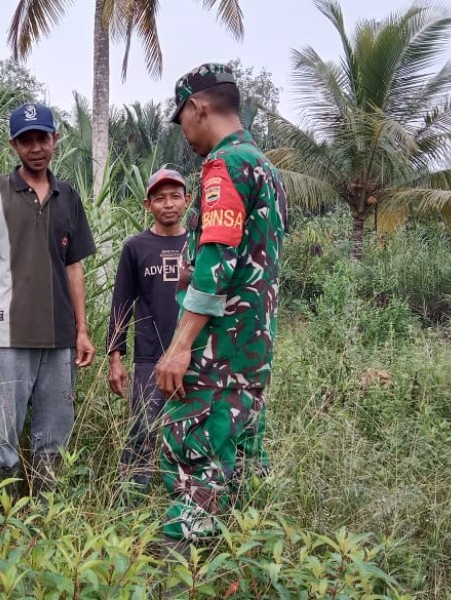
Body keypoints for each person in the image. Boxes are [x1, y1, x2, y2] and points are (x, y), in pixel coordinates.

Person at [154, 63, 288, 543]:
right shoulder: (266, 170)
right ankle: (243, 569)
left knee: (196, 466)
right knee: (244, 472)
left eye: (182, 119)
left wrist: (180, 345)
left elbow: (216, 264)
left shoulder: (224, 166)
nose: (184, 132)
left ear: (197, 107)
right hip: (250, 356)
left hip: (214, 359)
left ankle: (183, 574)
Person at [0, 102, 97, 494]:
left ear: (55, 139)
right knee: (4, 440)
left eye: (43, 138)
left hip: (59, 338)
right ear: (13, 145)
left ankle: (45, 519)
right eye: (26, 140)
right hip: (7, 338)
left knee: (53, 439)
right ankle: (6, 520)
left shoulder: (68, 196)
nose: (36, 147)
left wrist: (82, 331)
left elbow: (74, 267)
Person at [107, 168, 189, 491]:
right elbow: (120, 304)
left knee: (190, 436)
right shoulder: (135, 247)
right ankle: (132, 504)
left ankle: (182, 500)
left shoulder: (199, 244)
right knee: (142, 437)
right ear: (147, 204)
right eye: (159, 198)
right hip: (148, 362)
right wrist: (115, 358)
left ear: (188, 200)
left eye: (175, 196)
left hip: (193, 358)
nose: (168, 204)